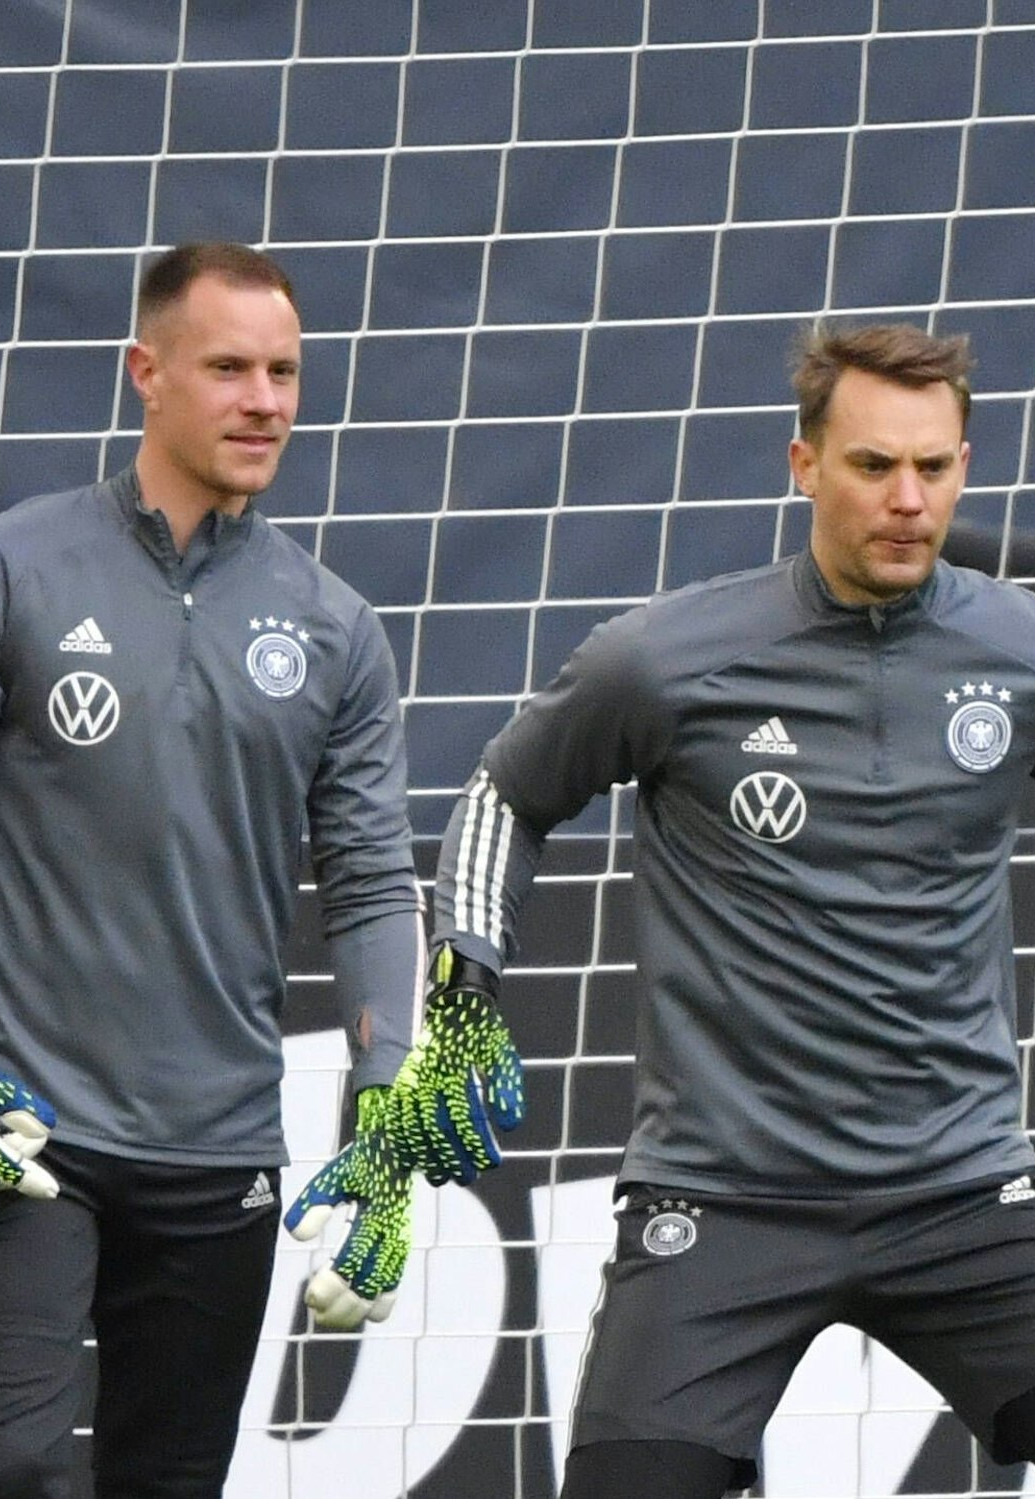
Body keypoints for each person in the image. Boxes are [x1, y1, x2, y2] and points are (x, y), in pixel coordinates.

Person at [380, 321, 1035, 1498]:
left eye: (930, 468)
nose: (904, 498)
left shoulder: (1013, 647)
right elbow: (503, 796)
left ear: (962, 470)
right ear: (801, 465)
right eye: (871, 465)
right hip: (722, 1196)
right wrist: (462, 983)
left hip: (961, 1190)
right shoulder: (664, 657)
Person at [0, 242, 439, 1498]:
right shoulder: (2, 571)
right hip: (17, 1124)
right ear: (145, 373)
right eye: (228, 368)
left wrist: (385, 1108)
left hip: (217, 1142)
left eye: (283, 372)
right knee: (14, 1467)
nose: (263, 401)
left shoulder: (336, 628)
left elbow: (369, 882)